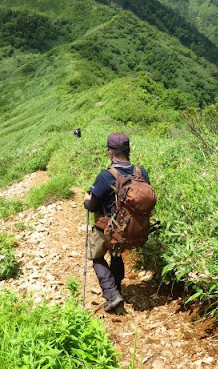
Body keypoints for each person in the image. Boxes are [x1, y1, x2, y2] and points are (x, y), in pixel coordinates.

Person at [83, 132, 150, 312]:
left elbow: (92, 205)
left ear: (110, 153)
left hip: (107, 227)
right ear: (128, 150)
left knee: (96, 256)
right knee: (116, 254)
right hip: (131, 227)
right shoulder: (140, 172)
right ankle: (118, 289)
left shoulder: (106, 176)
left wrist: (86, 199)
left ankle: (112, 294)